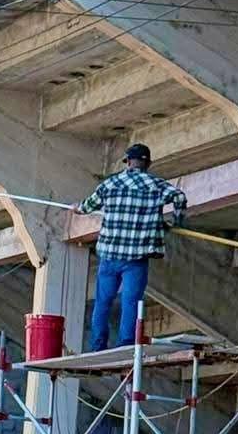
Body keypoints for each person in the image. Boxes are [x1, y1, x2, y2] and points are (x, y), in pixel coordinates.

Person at [79, 143, 187, 352]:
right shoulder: (156, 185)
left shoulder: (110, 184)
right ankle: (126, 344)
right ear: (148, 163)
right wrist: (176, 222)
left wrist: (77, 208)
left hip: (109, 256)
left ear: (128, 162)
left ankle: (97, 345)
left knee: (103, 301)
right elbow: (179, 197)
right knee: (131, 301)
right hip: (136, 259)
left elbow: (86, 207)